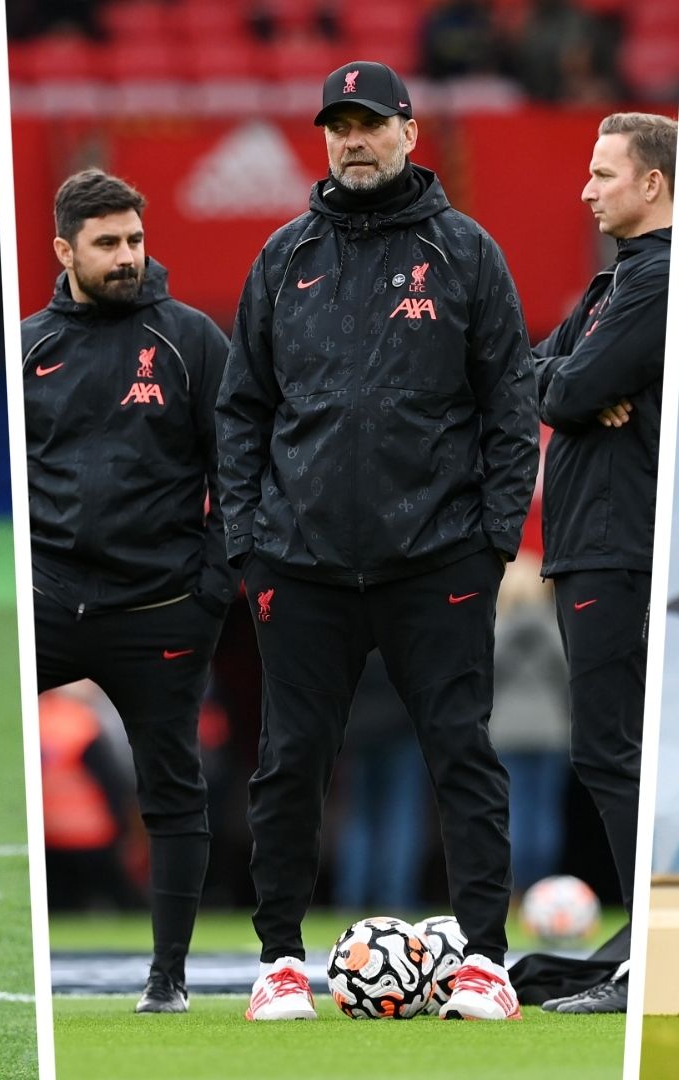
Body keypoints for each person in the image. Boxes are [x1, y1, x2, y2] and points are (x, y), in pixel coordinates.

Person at [217, 60, 539, 1022]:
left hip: (437, 557)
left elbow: (510, 403)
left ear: (409, 131)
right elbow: (242, 409)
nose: (352, 141)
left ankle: (485, 962)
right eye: (337, 126)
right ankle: (280, 962)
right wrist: (248, 544)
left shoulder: (465, 251)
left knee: (462, 753)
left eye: (368, 124)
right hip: (299, 561)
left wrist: (490, 542)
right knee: (289, 762)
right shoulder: (283, 257)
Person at [21, 168, 234, 1014]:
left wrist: (210, 589)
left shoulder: (190, 340)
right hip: (47, 602)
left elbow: (241, 471)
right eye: (107, 243)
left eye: (135, 240)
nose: (126, 257)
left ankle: (167, 978)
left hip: (159, 610)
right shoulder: (31, 345)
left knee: (174, 787)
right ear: (64, 250)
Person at [532, 110, 675, 1015]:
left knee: (612, 747)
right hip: (593, 544)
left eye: (604, 174)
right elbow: (530, 375)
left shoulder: (653, 280)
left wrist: (576, 386)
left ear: (652, 183)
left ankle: (641, 960)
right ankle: (636, 944)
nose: (586, 191)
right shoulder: (608, 286)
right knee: (609, 748)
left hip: (619, 544)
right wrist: (572, 385)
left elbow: (569, 385)